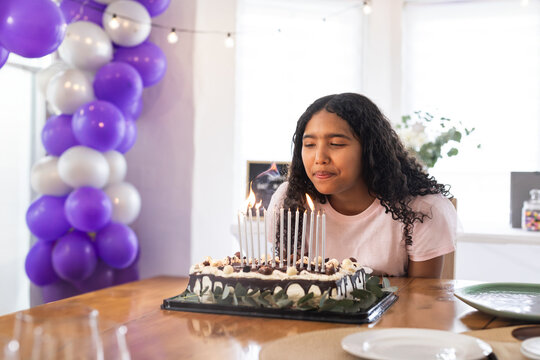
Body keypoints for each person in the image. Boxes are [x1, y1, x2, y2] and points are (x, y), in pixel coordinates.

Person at [267, 93, 457, 278]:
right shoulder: (290, 201)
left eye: (336, 143)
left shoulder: (420, 210)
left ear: (369, 149)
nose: (319, 158)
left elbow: (423, 298)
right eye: (309, 144)